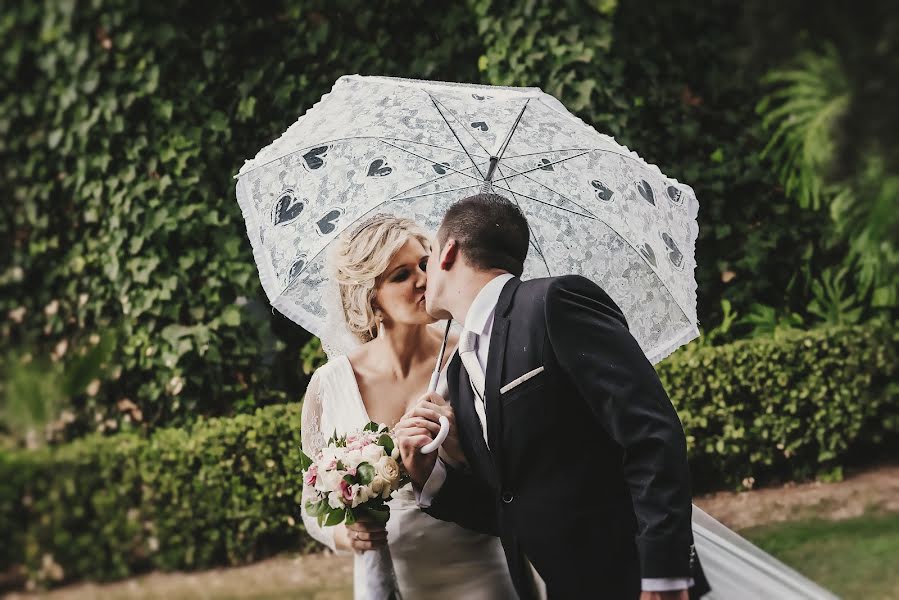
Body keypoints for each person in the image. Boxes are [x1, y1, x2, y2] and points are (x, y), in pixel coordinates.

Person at [395, 193, 711, 600]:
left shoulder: (553, 303)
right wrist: (428, 476)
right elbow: (509, 507)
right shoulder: (456, 374)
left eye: (428, 256)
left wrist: (664, 572)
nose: (423, 278)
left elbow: (650, 433)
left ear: (449, 252)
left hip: (632, 579)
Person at [299, 214, 516, 599]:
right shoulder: (330, 384)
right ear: (371, 299)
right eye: (400, 275)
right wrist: (345, 534)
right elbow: (311, 503)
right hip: (388, 578)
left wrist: (456, 448)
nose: (422, 280)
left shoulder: (471, 355)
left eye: (424, 263)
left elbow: (512, 477)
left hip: (481, 570)